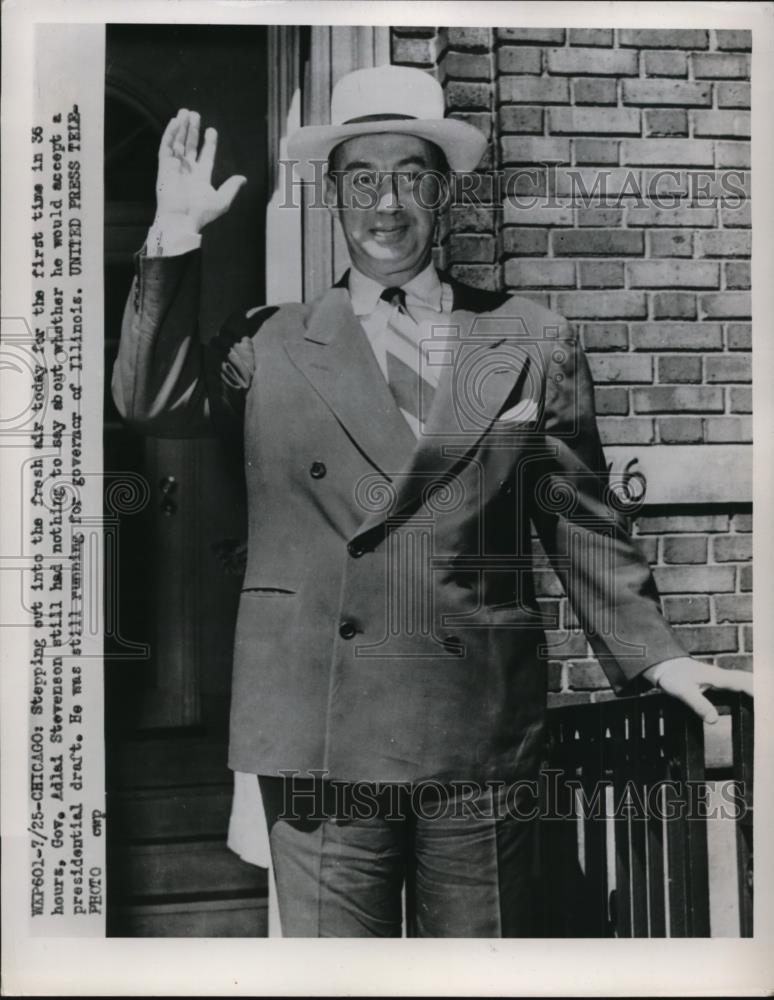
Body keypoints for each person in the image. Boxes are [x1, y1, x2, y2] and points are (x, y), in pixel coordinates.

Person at [112, 64, 752, 937]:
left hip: (475, 726)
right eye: (363, 178)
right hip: (319, 730)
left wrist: (659, 658)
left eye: (411, 175)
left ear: (444, 192)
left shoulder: (530, 336)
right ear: (333, 195)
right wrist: (174, 235)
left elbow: (580, 521)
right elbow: (147, 401)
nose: (387, 203)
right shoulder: (269, 343)